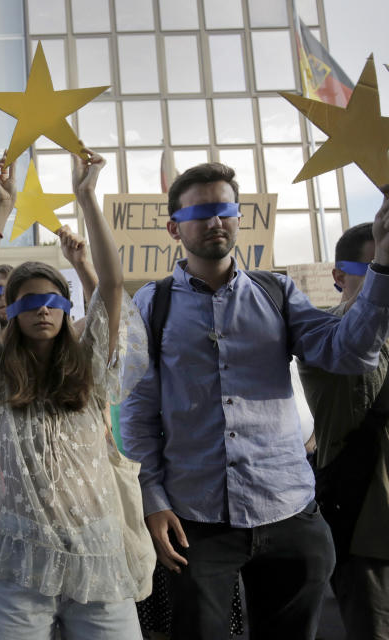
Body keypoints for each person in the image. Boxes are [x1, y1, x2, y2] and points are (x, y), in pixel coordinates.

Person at [120, 164, 389, 639]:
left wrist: (383, 263)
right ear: (173, 227)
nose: (215, 222)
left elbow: (349, 353)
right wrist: (152, 500)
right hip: (195, 524)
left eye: (225, 210)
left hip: (289, 513)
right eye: (200, 212)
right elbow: (138, 415)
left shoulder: (277, 293)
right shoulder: (150, 304)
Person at [0, 148, 145, 640]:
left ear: (66, 307)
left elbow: (112, 286)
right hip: (21, 557)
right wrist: (2, 208)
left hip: (97, 551)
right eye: (30, 301)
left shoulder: (90, 368)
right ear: (12, 312)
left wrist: (87, 196)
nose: (44, 310)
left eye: (54, 300)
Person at [298, 220, 389, 640]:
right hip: (365, 522)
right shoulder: (323, 334)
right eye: (373, 268)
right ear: (339, 275)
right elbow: (358, 339)